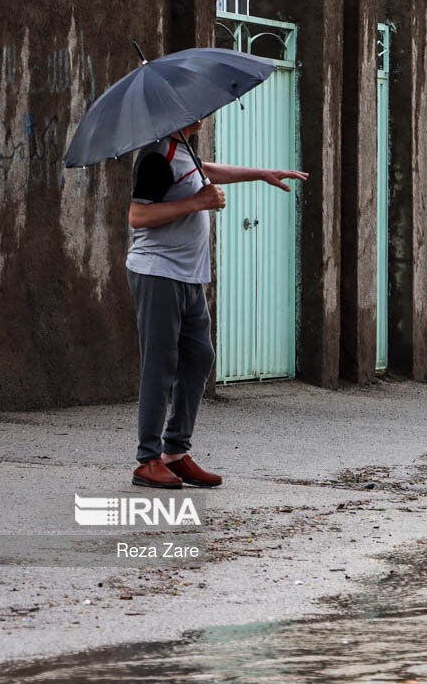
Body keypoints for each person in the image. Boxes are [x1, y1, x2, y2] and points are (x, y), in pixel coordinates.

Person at [125, 121, 307, 489]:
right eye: (199, 110)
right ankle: (147, 459)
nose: (205, 115)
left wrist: (261, 174)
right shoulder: (157, 156)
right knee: (160, 365)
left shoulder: (185, 149)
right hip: (158, 273)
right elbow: (138, 216)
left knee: (200, 357)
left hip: (190, 276)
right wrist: (199, 202)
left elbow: (206, 170)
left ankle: (175, 451)